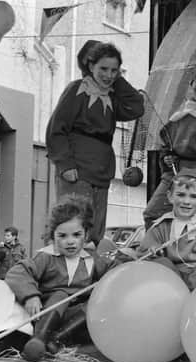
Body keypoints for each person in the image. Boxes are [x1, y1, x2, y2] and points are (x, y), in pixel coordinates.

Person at [46, 40, 144, 246]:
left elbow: (136, 107)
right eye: (103, 69)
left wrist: (117, 81)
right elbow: (56, 128)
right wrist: (65, 164)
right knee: (73, 226)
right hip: (77, 170)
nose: (108, 75)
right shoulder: (76, 90)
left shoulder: (112, 96)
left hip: (101, 170)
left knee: (95, 231)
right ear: (90, 66)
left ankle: (88, 276)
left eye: (114, 70)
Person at [4, 196, 121, 361]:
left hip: (77, 319)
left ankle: (57, 340)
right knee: (61, 294)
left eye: (76, 235)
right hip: (49, 313)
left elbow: (116, 269)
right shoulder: (47, 257)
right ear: (53, 236)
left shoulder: (92, 259)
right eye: (62, 236)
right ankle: (39, 338)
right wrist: (30, 296)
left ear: (86, 235)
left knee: (96, 303)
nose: (70, 241)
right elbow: (17, 272)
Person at [143, 61, 196, 227]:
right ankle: (159, 252)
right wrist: (166, 159)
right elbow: (165, 144)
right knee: (153, 214)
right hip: (172, 174)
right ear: (191, 84)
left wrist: (191, 180)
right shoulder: (180, 113)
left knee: (187, 222)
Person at [138, 168, 196, 290]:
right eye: (181, 195)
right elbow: (142, 252)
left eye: (193, 196)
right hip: (170, 280)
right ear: (170, 197)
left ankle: (192, 299)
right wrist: (152, 251)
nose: (187, 202)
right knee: (161, 264)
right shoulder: (161, 226)